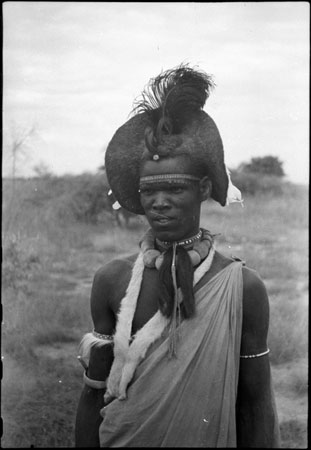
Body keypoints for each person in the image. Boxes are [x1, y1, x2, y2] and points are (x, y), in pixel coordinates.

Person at [75, 64, 280, 447]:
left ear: (203, 189)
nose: (160, 203)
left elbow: (255, 403)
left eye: (174, 189)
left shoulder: (242, 287)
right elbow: (93, 392)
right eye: (149, 191)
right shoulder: (111, 279)